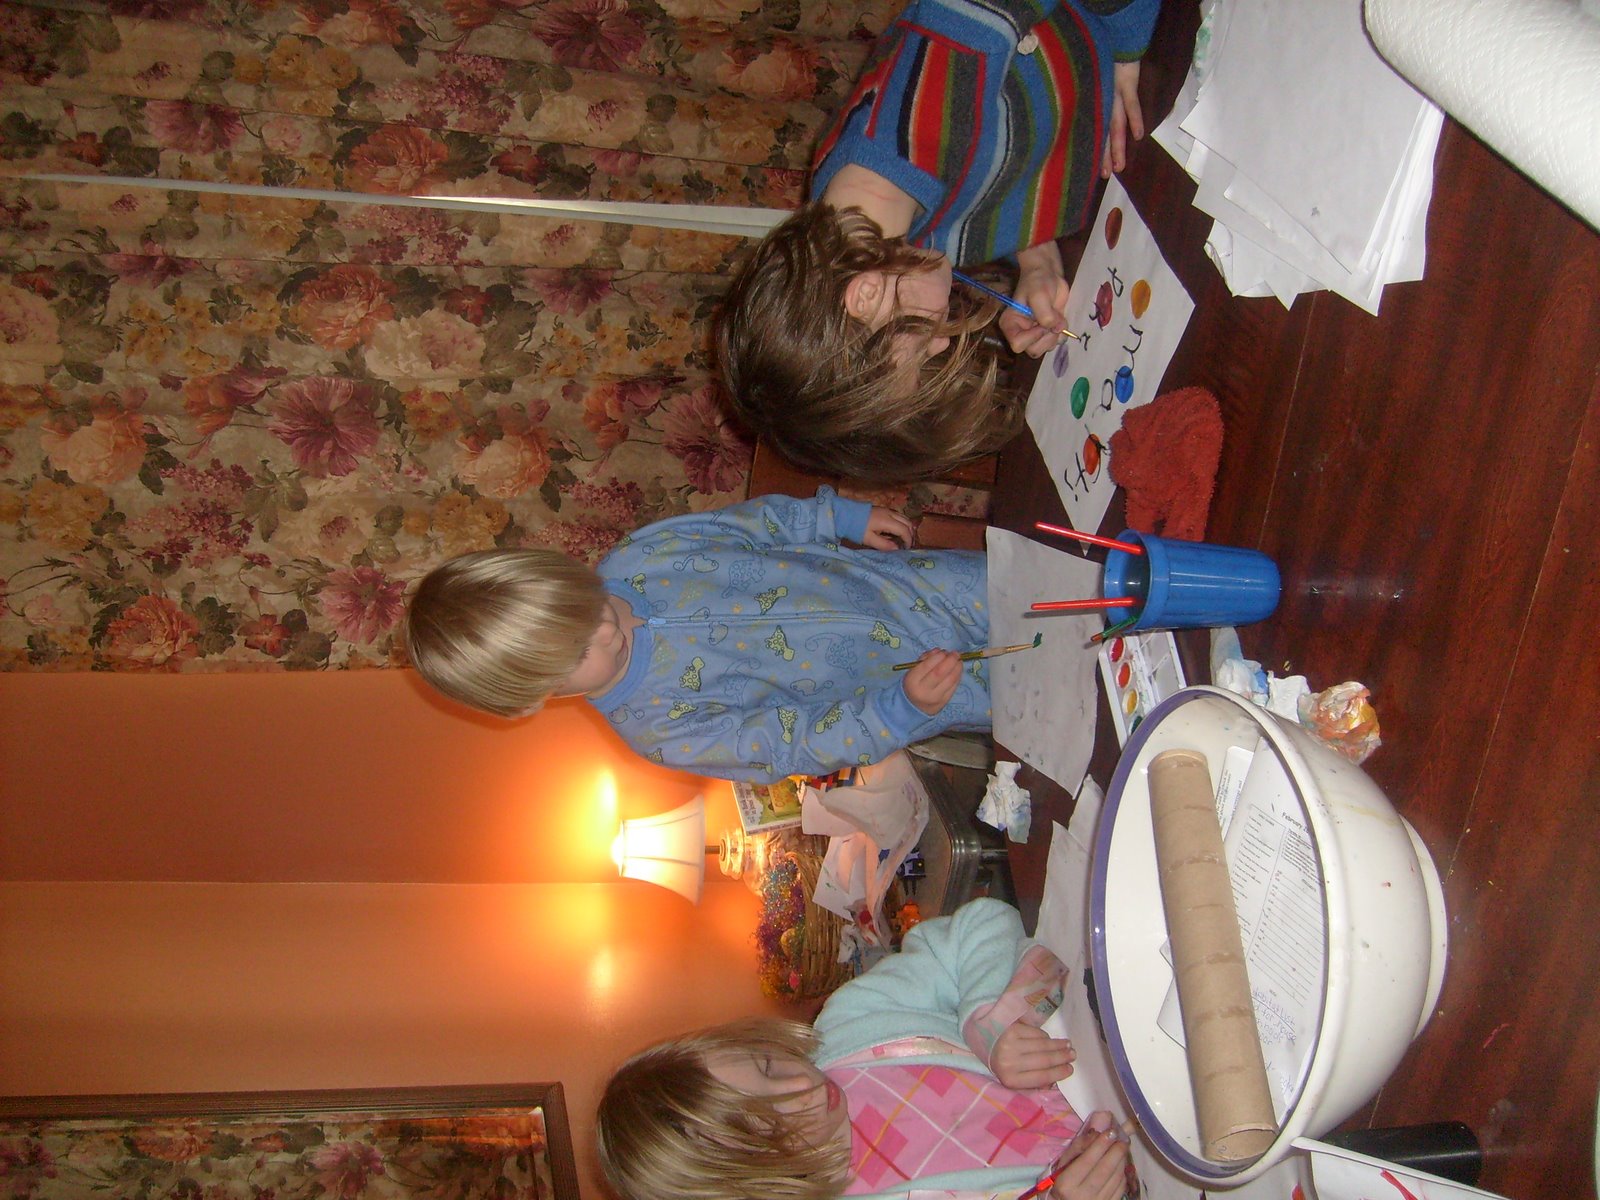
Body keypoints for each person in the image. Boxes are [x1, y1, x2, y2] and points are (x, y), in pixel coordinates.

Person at [716, 0, 1161, 484]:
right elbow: (991, 179)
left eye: (921, 347)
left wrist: (1126, 49)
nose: (943, 340)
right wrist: (1037, 258)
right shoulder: (877, 224)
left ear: (866, 294)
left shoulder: (934, 83)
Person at [404, 487, 989, 783]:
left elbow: (754, 524)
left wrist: (842, 518)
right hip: (912, 692)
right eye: (580, 649)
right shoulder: (658, 728)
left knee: (1038, 591)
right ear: (534, 699)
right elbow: (787, 747)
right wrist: (897, 713)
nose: (605, 626)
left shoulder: (639, 556)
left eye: (585, 601)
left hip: (923, 585)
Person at [597, 897, 1135, 1200]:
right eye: (769, 1123)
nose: (803, 1087)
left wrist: (987, 1023)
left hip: (1128, 1037)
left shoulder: (854, 1022)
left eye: (768, 1065)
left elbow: (983, 922)